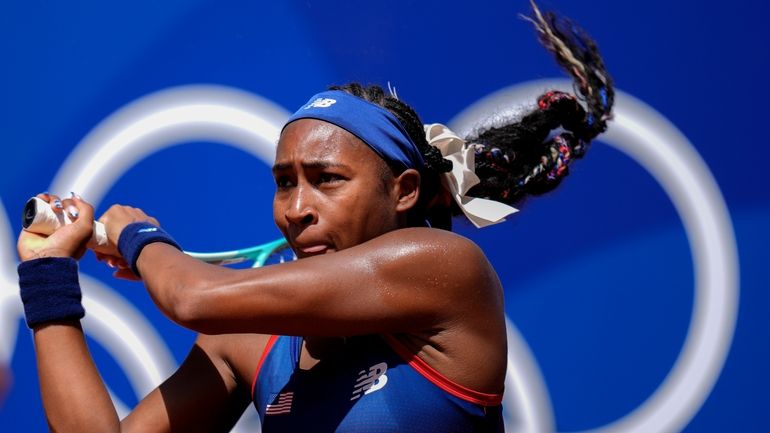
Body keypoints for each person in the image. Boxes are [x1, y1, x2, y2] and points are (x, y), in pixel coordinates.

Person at [15, 3, 613, 432]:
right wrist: (48, 280)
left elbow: (193, 298)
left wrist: (138, 235)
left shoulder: (448, 271)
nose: (296, 209)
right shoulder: (249, 343)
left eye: (327, 180)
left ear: (403, 192)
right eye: (283, 183)